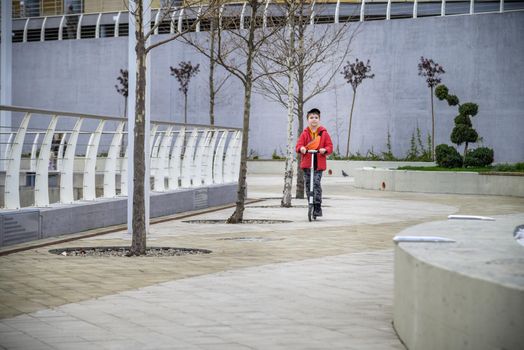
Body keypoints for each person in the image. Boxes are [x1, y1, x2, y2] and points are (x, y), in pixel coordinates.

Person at [296, 108, 333, 217]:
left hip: (318, 165)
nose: (314, 120)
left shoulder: (324, 133)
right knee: (308, 185)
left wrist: (325, 150)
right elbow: (298, 146)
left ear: (319, 120)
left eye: (316, 118)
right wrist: (302, 148)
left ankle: (317, 205)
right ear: (308, 120)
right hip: (307, 164)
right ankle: (310, 203)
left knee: (316, 183)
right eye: (311, 117)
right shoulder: (305, 133)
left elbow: (330, 146)